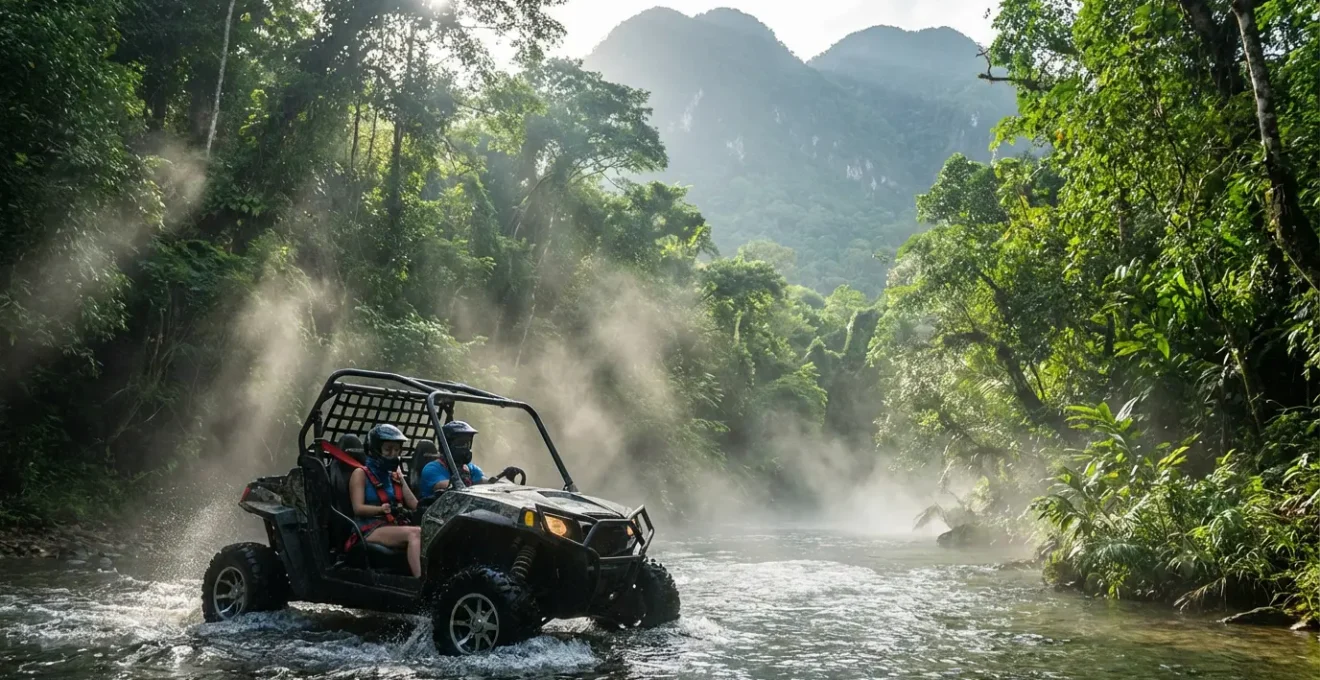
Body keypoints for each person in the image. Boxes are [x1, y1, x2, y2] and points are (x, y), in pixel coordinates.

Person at [350, 424, 422, 577]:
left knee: (429, 533)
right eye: (388, 450)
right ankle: (421, 584)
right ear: (374, 450)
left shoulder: (395, 475)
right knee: (415, 533)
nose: (393, 454)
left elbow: (414, 503)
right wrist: (382, 509)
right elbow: (358, 508)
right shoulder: (360, 474)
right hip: (368, 529)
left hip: (393, 525)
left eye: (397, 450)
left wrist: (433, 502)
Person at [418, 420, 523, 500]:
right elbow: (453, 489)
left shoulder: (470, 468)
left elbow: (486, 484)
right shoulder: (432, 468)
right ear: (446, 445)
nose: (465, 447)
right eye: (460, 443)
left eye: (467, 443)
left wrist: (506, 481)